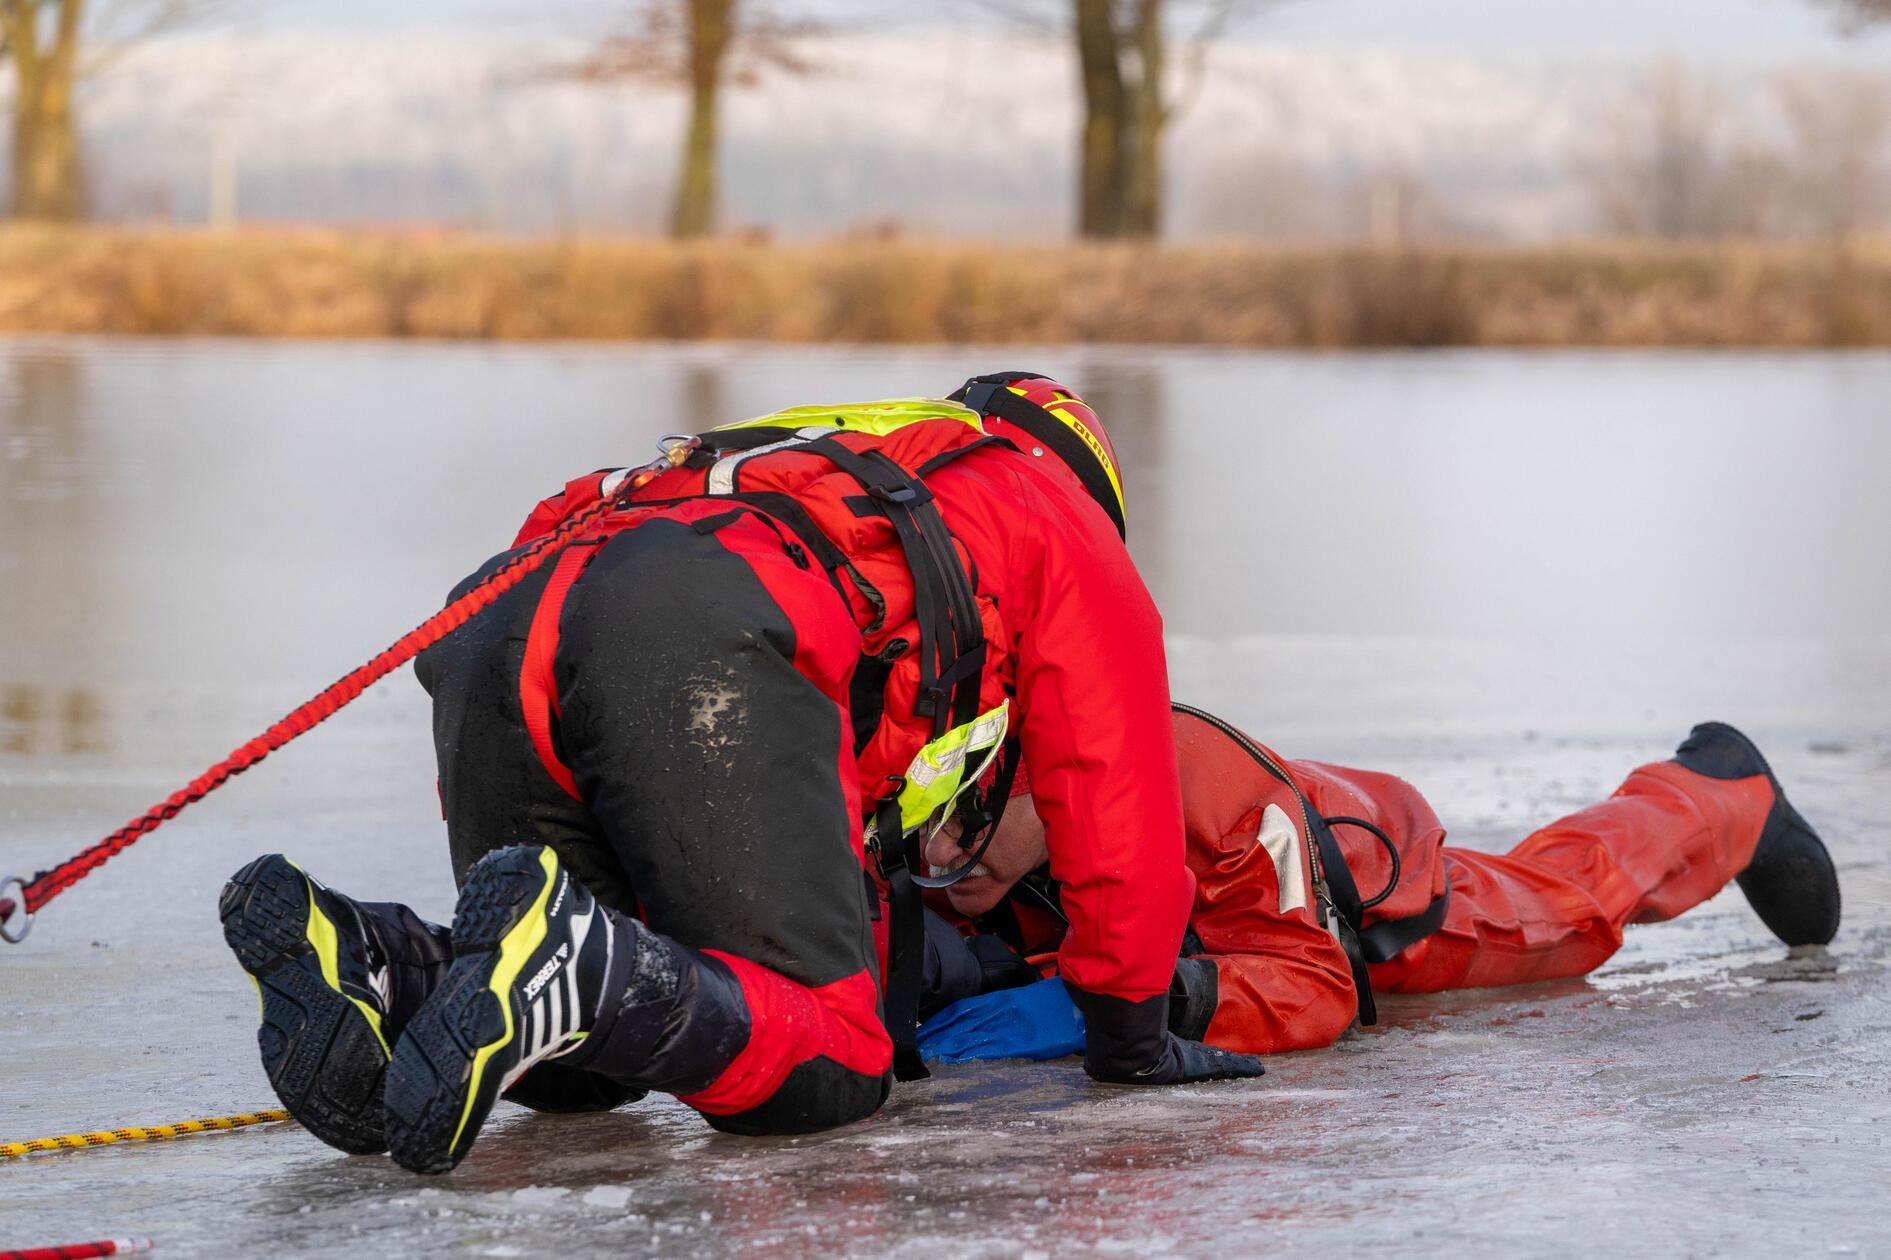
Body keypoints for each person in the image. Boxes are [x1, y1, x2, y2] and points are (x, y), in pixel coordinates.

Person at [215, 373, 1264, 1176]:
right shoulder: (1051, 513)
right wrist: (1132, 1034)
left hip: (506, 607)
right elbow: (1111, 781)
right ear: (1090, 477)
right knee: (832, 1067)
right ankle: (571, 962)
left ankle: (382, 963)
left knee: (581, 1071)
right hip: (687, 630)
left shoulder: (836, 459)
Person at [914, 707, 1842, 1061]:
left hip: (1381, 912)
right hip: (1263, 871)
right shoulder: (961, 816)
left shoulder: (1202, 791)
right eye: (919, 833)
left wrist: (1121, 1004)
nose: (940, 858)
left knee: (1566, 908)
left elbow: (1311, 989)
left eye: (965, 827)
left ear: (1040, 784)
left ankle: (1715, 791)